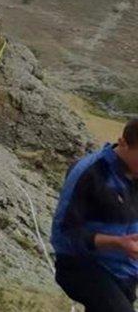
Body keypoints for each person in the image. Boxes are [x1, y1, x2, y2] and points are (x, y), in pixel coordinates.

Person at [51, 118, 138, 312]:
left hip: (125, 272)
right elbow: (63, 235)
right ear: (123, 142)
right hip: (81, 266)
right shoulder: (89, 172)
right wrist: (117, 243)